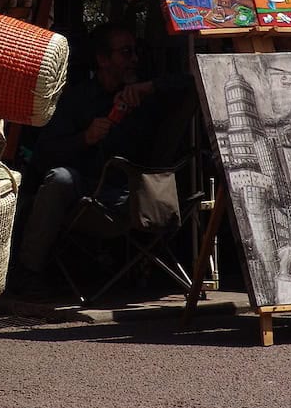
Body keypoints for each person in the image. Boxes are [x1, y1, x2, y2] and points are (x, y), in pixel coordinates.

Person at [11, 22, 193, 292]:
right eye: (126, 52)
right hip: (85, 191)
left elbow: (192, 83)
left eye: (135, 51)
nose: (134, 59)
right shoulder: (78, 98)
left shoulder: (147, 94)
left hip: (132, 192)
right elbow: (44, 155)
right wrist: (84, 138)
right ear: (103, 59)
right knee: (59, 178)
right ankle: (29, 272)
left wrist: (148, 88)